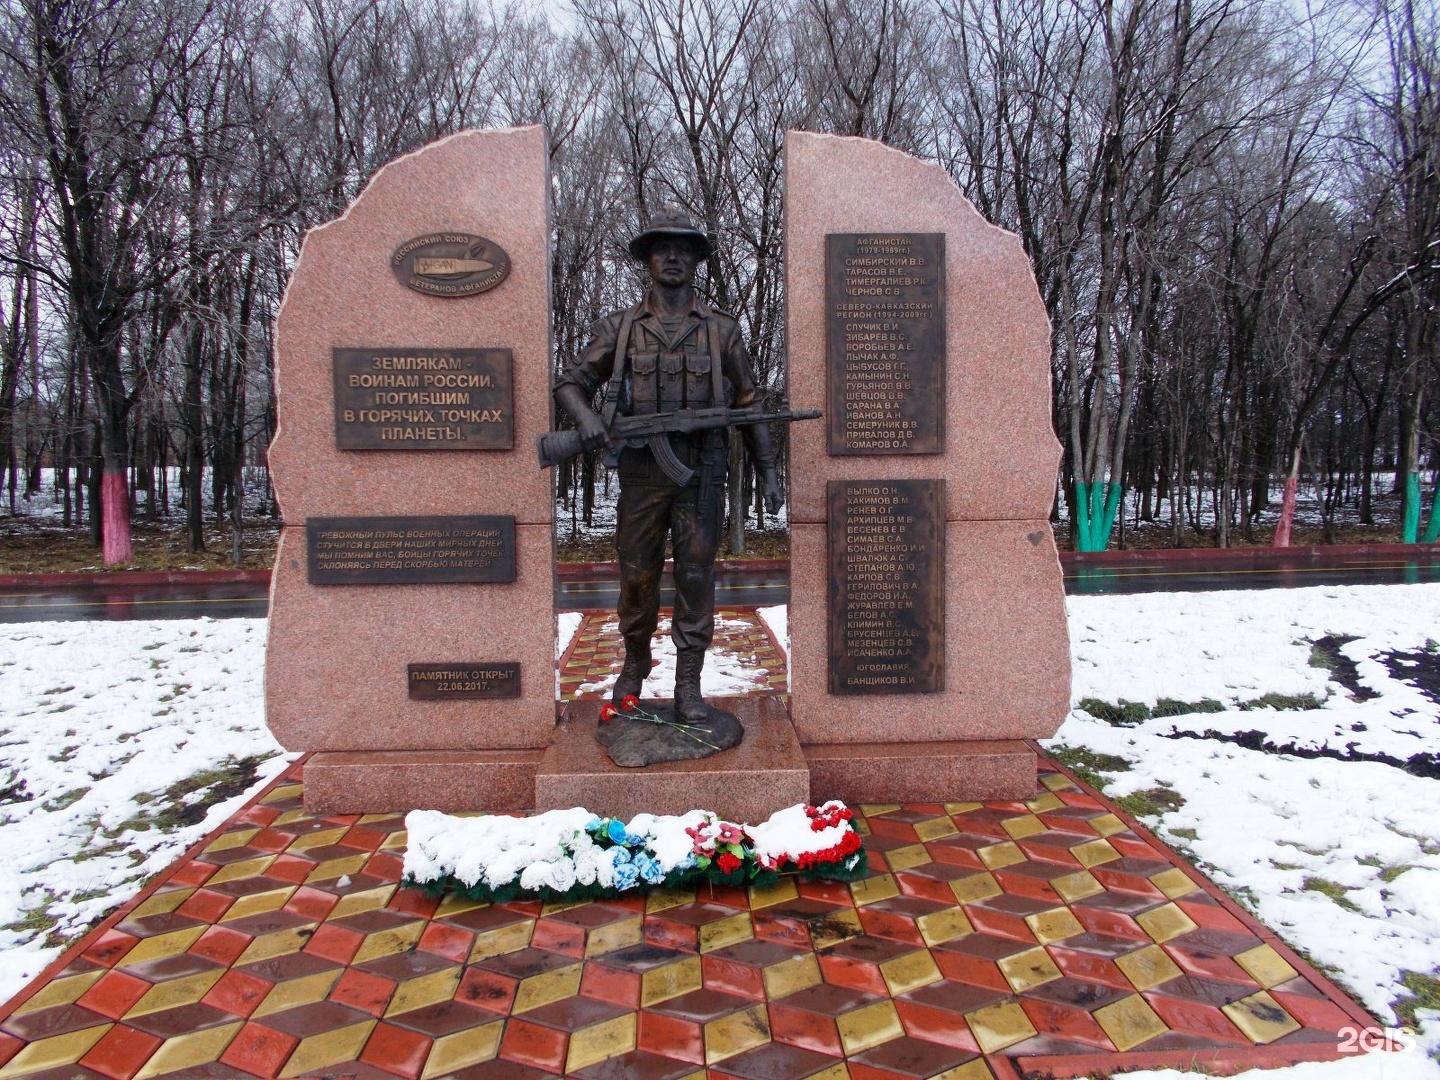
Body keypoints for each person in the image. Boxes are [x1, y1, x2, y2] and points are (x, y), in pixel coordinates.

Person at [554, 208, 783, 723]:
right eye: (663, 249)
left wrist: (767, 469)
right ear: (648, 260)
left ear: (698, 261)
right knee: (637, 578)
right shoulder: (619, 329)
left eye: (684, 250)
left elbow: (748, 403)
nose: (673, 257)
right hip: (640, 474)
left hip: (701, 474)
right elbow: (569, 383)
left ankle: (687, 684)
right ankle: (634, 666)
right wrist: (588, 420)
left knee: (697, 579)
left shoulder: (721, 330)